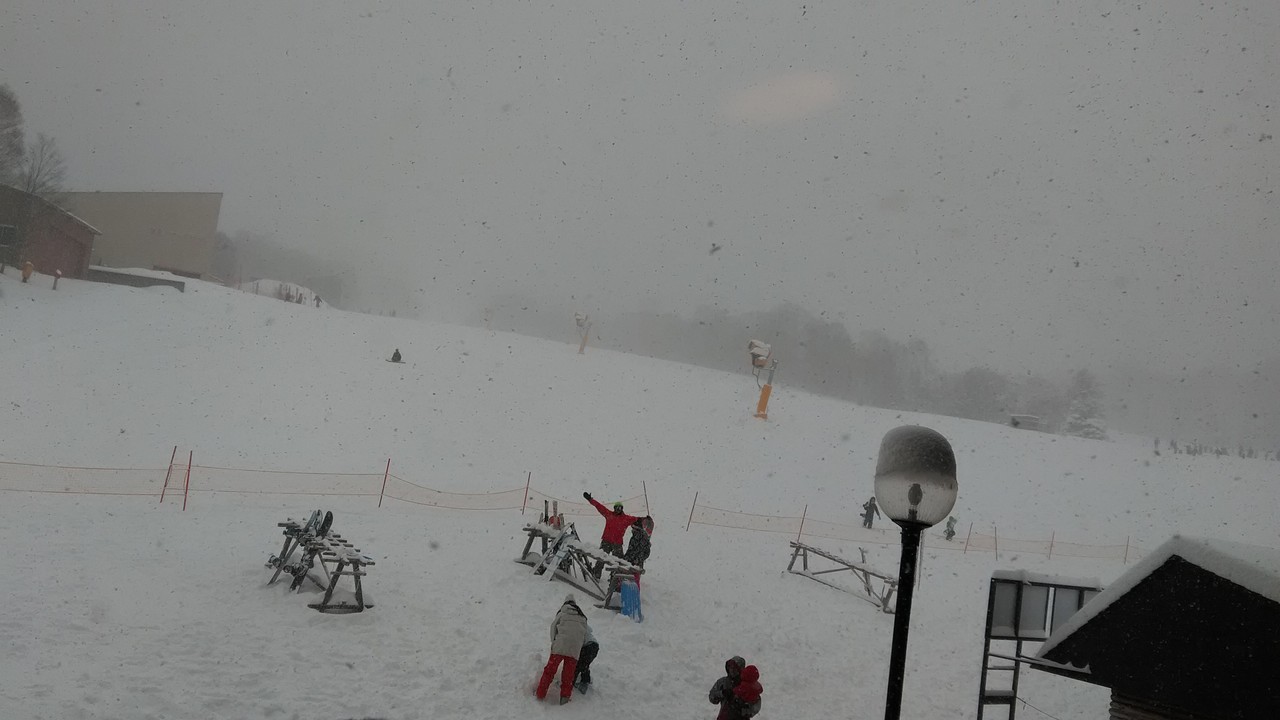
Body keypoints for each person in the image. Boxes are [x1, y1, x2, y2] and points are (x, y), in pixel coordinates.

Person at [535, 594, 588, 705]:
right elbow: (583, 635)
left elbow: (553, 628)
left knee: (549, 671)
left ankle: (540, 694)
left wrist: (554, 643)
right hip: (574, 650)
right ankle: (564, 700)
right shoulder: (582, 617)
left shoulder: (562, 613)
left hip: (560, 646)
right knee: (568, 676)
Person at [582, 491, 639, 577]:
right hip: (606, 541)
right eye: (616, 507)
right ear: (614, 508)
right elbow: (599, 506)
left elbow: (637, 519)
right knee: (601, 558)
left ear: (622, 509)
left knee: (618, 562)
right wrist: (590, 499)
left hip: (617, 543)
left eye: (620, 508)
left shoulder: (626, 518)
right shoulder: (609, 514)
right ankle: (596, 574)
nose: (618, 509)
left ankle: (616, 577)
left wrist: (645, 520)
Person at [574, 621, 599, 693]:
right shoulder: (582, 624)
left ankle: (572, 682)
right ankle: (585, 680)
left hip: (588, 647)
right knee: (584, 664)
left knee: (578, 666)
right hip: (595, 646)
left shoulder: (576, 628)